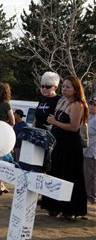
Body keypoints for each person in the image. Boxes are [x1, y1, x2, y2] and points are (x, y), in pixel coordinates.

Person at [42, 76, 88, 219]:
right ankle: (53, 206)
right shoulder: (61, 101)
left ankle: (69, 209)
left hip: (70, 146)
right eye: (64, 86)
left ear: (75, 89)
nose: (65, 89)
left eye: (68, 87)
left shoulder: (78, 105)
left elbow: (74, 127)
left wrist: (54, 122)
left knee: (69, 175)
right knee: (55, 173)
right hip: (58, 145)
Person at [84, 98, 96, 204]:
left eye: (94, 105)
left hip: (92, 151)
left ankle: (91, 197)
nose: (92, 106)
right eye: (91, 104)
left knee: (90, 175)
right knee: (85, 174)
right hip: (84, 150)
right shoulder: (88, 116)